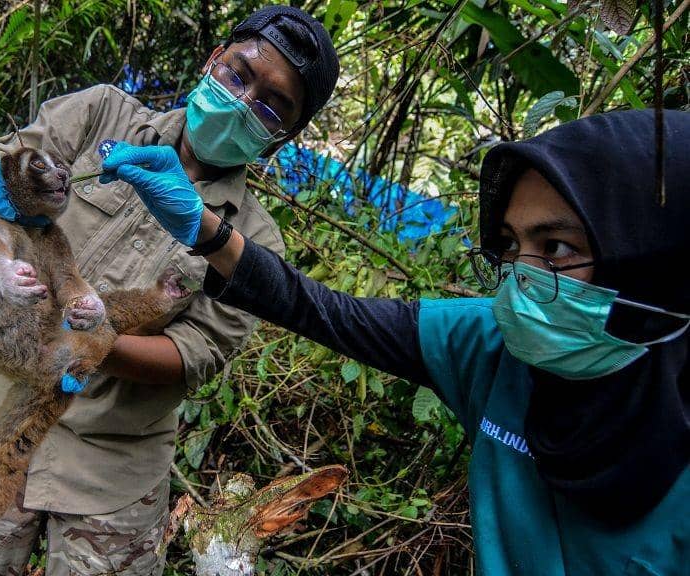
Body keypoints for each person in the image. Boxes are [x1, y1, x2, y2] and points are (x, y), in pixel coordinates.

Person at [101, 109, 689, 574]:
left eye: (556, 249)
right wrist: (205, 228)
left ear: (653, 258)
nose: (519, 281)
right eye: (510, 247)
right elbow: (327, 313)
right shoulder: (489, 342)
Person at [0, 6, 339, 576]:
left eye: (271, 105)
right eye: (238, 73)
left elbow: (196, 353)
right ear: (213, 61)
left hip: (110, 472)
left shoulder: (252, 241)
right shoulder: (103, 112)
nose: (242, 100)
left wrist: (91, 344)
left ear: (284, 135)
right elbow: (0, 159)